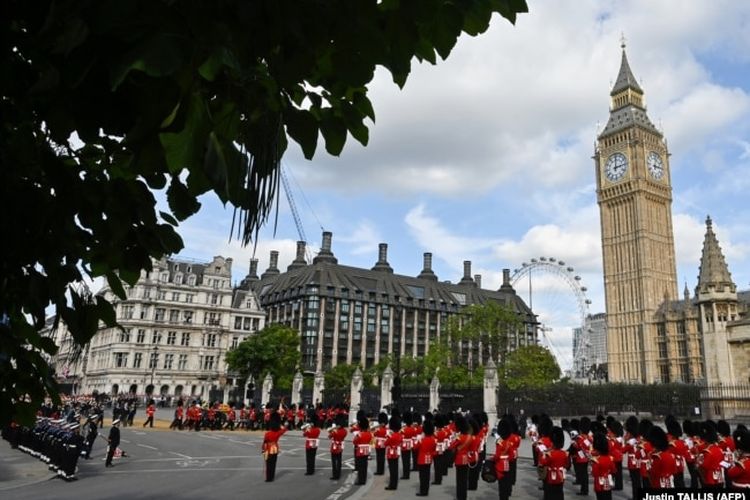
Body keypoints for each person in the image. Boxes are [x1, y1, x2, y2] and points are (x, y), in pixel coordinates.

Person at [539, 426, 570, 500]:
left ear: (553, 442)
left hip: (550, 477)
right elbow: (567, 465)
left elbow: (542, 463)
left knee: (550, 493)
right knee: (559, 492)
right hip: (561, 476)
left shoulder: (549, 454)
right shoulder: (565, 453)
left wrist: (543, 454)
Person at [450, 414, 473, 500]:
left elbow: (451, 446)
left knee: (459, 480)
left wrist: (455, 438)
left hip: (459, 460)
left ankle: (460, 497)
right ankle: (464, 496)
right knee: (464, 479)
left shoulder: (459, 437)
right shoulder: (469, 437)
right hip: (466, 459)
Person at [492, 419, 514, 500]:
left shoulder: (499, 442)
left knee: (501, 485)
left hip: (500, 466)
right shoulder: (509, 443)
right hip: (507, 465)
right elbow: (511, 456)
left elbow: (497, 455)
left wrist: (492, 459)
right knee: (506, 483)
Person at [262, 411, 286, 482]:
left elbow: (265, 443)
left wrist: (263, 450)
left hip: (268, 449)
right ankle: (272, 477)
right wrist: (279, 424)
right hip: (275, 448)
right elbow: (284, 429)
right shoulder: (278, 433)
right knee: (273, 463)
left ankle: (268, 478)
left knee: (268, 464)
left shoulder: (267, 433)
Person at [590, 432, 615, 500]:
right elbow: (614, 470)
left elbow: (594, 473)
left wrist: (592, 465)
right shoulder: (610, 458)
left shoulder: (596, 460)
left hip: (599, 484)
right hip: (608, 481)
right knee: (608, 496)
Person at [416, 418, 437, 496]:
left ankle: (422, 491)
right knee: (427, 475)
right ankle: (426, 490)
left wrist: (419, 439)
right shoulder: (433, 440)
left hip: (421, 459)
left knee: (422, 476)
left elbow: (415, 447)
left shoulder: (422, 440)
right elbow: (434, 449)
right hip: (429, 459)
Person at [385, 413, 403, 490]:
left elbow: (386, 443)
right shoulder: (399, 435)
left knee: (392, 469)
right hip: (396, 452)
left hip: (391, 453)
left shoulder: (391, 435)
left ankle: (392, 485)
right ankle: (394, 484)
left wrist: (388, 435)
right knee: (395, 468)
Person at [353, 416, 373, 485]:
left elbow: (354, 442)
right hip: (366, 451)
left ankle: (360, 480)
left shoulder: (359, 434)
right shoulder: (369, 434)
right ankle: (363, 480)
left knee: (360, 466)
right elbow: (370, 440)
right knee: (365, 465)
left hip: (360, 451)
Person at [328, 414, 348, 480]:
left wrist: (332, 431)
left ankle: (335, 475)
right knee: (339, 460)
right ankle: (338, 474)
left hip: (334, 446)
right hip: (340, 446)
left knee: (334, 461)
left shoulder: (335, 431)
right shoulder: (345, 431)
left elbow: (329, 437)